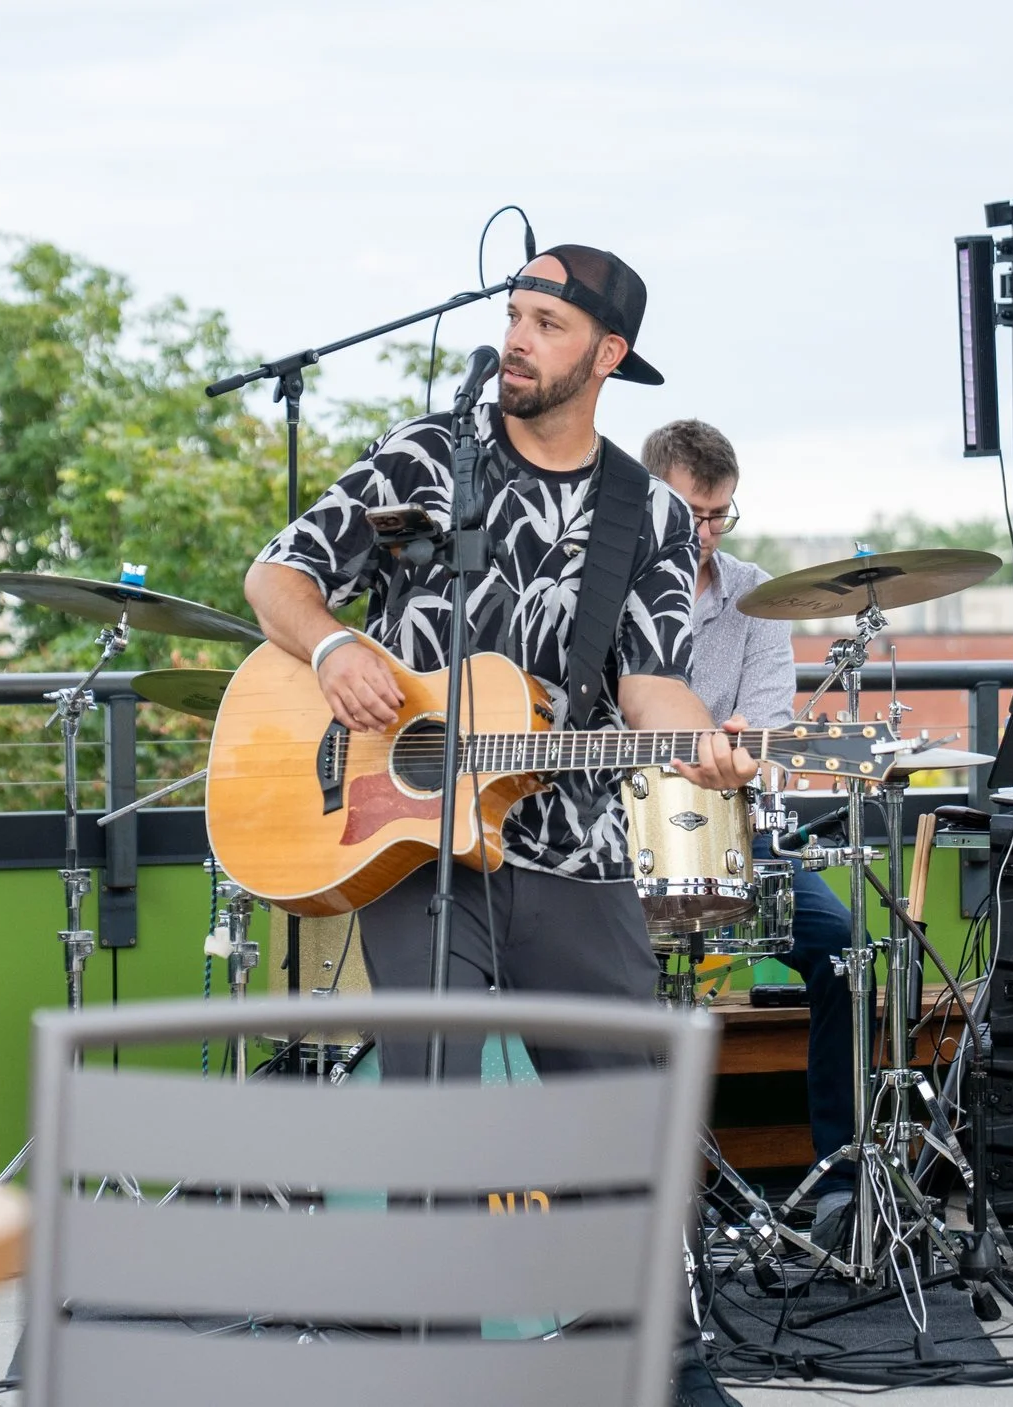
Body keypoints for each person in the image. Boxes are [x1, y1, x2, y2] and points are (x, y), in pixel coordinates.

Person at [243, 246, 758, 1072]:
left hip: (574, 846)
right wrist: (334, 646)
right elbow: (276, 576)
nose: (517, 339)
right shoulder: (426, 457)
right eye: (514, 317)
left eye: (547, 324)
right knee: (434, 1115)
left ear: (608, 355)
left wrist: (706, 747)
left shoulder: (650, 512)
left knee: (625, 1120)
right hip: (415, 844)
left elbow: (652, 683)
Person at [640, 417, 862, 1247]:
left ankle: (840, 1182)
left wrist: (745, 758)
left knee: (842, 945)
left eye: (719, 514)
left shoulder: (757, 594)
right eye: (691, 511)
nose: (705, 532)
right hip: (620, 839)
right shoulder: (603, 588)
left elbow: (770, 737)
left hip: (740, 832)